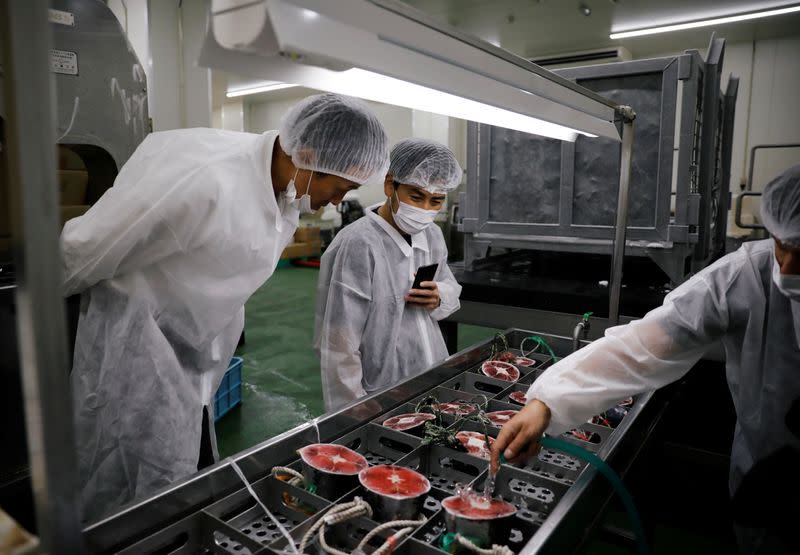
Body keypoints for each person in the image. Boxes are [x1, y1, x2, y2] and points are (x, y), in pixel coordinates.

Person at [61, 93, 389, 522]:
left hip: (194, 350)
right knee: (122, 484)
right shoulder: (204, 179)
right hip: (136, 346)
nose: (335, 200)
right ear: (307, 156)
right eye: (340, 188)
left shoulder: (286, 188)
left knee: (173, 477)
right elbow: (85, 249)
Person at [490, 165, 800, 554]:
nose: (785, 267)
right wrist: (547, 402)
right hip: (765, 468)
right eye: (779, 245)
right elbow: (645, 344)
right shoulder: (749, 274)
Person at [315, 138, 463, 412]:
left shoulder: (432, 235)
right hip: (379, 392)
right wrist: (353, 412)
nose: (425, 209)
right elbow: (339, 344)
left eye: (436, 200)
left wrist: (439, 296)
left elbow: (449, 286)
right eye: (416, 196)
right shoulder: (358, 243)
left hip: (431, 370)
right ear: (389, 185)